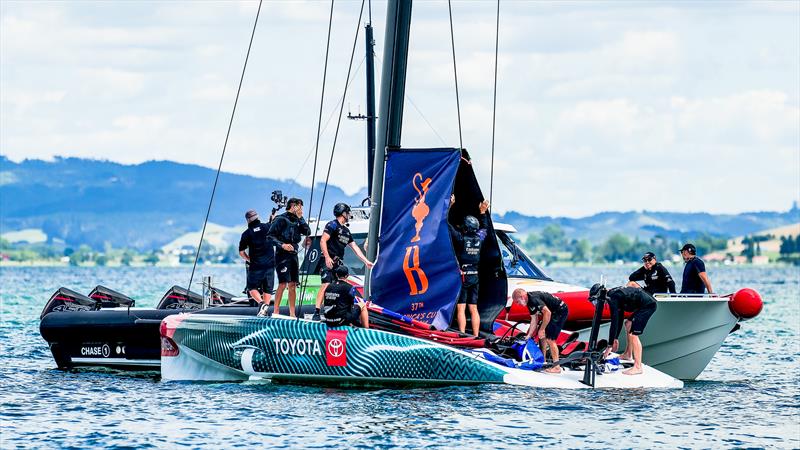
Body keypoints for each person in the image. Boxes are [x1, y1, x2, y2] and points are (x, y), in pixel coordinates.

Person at [313, 203, 374, 320]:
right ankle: (316, 312)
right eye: (348, 212)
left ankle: (335, 311)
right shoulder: (332, 225)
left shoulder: (346, 231)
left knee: (337, 287)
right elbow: (322, 241)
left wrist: (366, 261)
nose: (349, 214)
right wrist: (327, 257)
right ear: (343, 213)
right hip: (328, 259)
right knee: (326, 284)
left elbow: (355, 247)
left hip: (338, 262)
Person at [449, 195, 490, 337]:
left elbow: (446, 224)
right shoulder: (480, 238)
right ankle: (476, 335)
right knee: (473, 308)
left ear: (465, 227)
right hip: (475, 276)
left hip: (464, 276)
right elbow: (485, 227)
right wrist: (483, 212)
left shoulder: (461, 238)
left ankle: (461, 335)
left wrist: (449, 206)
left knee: (461, 308)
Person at [593, 284, 657, 376]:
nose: (596, 304)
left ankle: (638, 367)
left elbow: (614, 321)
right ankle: (628, 354)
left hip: (648, 306)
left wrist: (610, 345)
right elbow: (619, 316)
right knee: (628, 324)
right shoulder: (613, 295)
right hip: (644, 304)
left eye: (595, 301)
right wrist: (615, 338)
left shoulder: (612, 298)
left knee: (633, 334)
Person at [268, 198, 311, 317]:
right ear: (293, 206)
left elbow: (308, 231)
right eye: (300, 207)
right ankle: (276, 311)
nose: (301, 210)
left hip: (294, 254)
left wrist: (301, 218)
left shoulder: (298, 220)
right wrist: (282, 245)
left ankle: (292, 313)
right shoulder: (280, 219)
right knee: (283, 283)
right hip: (282, 254)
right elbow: (270, 236)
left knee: (293, 284)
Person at [511, 289, 568, 374]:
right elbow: (534, 320)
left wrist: (542, 329)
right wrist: (528, 336)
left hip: (560, 311)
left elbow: (547, 313)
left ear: (522, 297)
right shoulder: (529, 303)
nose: (518, 304)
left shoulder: (534, 299)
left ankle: (557, 367)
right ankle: (543, 361)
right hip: (552, 312)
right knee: (542, 337)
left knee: (550, 339)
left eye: (517, 302)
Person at [238, 209, 275, 316]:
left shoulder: (246, 233)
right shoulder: (268, 227)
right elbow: (272, 224)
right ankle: (265, 310)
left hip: (256, 265)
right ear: (257, 217)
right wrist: (272, 218)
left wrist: (250, 260)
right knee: (268, 289)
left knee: (251, 288)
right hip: (270, 265)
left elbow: (241, 252)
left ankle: (261, 303)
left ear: (248, 220)